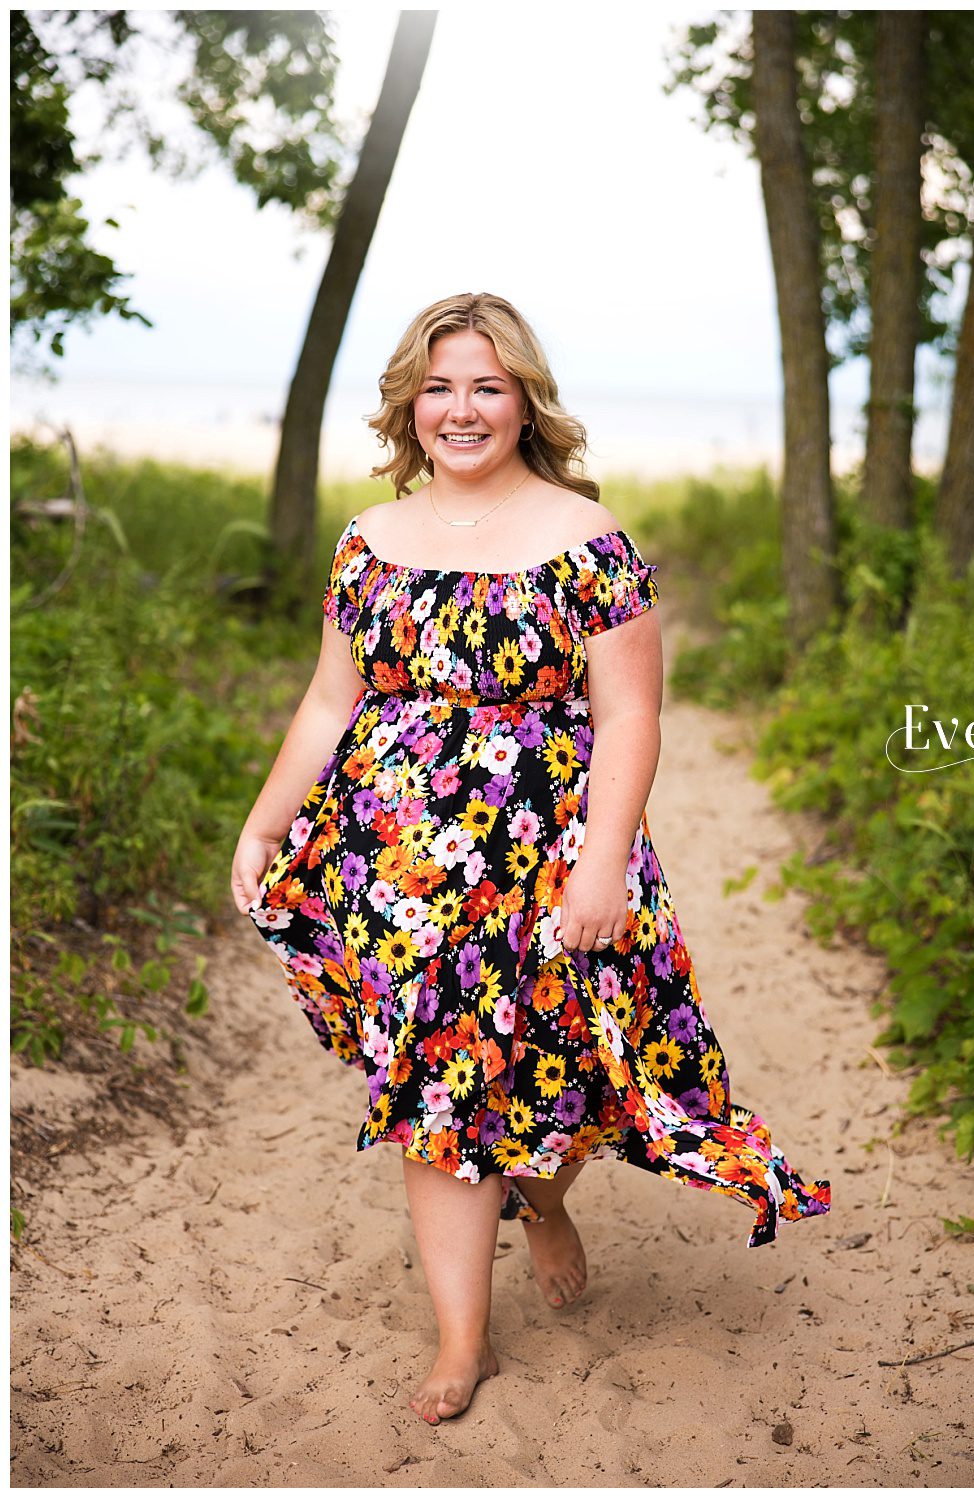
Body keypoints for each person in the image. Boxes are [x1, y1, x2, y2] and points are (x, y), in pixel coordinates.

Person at [232, 292, 831, 1426]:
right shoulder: (368, 541)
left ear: (524, 404)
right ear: (409, 405)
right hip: (399, 873)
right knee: (437, 1095)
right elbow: (327, 701)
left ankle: (543, 1200)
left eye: (486, 387)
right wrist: (265, 823)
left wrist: (603, 863)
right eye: (439, 387)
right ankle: (462, 1336)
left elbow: (632, 718)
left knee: (574, 1069)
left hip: (552, 855)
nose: (460, 410)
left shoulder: (588, 543)